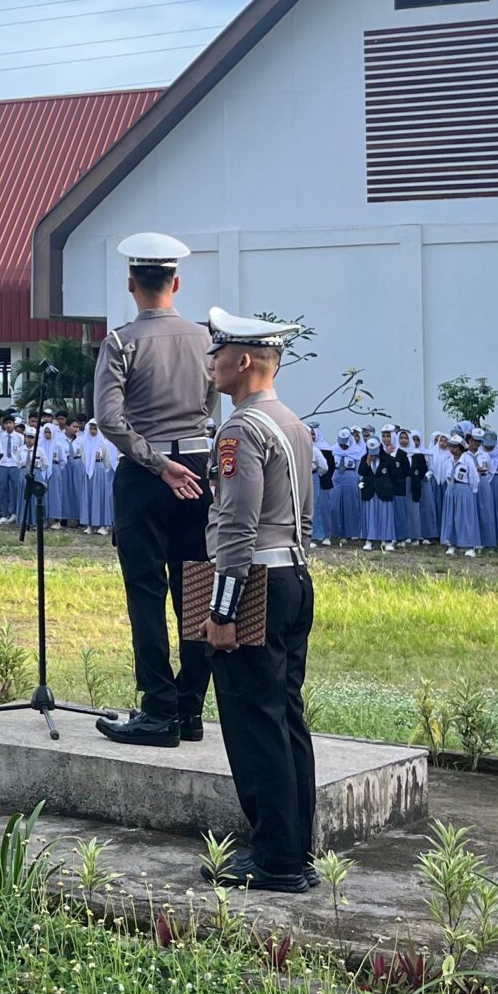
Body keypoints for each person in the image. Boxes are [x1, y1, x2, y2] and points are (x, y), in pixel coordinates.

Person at [196, 308, 318, 894]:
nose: (211, 364)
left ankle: (275, 860)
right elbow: (305, 519)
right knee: (286, 718)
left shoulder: (239, 430)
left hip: (254, 585)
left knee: (255, 725)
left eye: (218, 354)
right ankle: (295, 852)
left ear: (243, 360)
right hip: (293, 576)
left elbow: (237, 525)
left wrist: (222, 610)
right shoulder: (293, 423)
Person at [92, 233, 217, 749]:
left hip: (146, 473)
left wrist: (158, 463)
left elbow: (109, 418)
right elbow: (212, 402)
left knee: (146, 594)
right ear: (176, 283)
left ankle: (159, 710)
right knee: (197, 589)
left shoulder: (121, 341)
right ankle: (190, 709)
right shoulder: (207, 338)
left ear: (131, 285)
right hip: (200, 467)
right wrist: (187, 454)